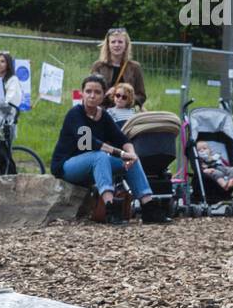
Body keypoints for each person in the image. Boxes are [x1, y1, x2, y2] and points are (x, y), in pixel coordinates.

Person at [50, 74, 155, 225]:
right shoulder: (75, 114)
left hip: (94, 164)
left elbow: (122, 139)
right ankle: (110, 207)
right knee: (100, 156)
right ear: (82, 93)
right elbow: (87, 142)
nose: (92, 96)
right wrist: (121, 153)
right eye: (88, 91)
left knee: (132, 160)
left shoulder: (104, 116)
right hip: (67, 166)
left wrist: (131, 154)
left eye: (97, 92)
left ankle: (148, 207)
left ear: (104, 95)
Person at [90, 27, 146, 108]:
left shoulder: (135, 67)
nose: (116, 45)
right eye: (113, 42)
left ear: (126, 44)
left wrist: (126, 98)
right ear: (108, 45)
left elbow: (141, 96)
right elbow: (92, 94)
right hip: (104, 112)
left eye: (120, 42)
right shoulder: (98, 66)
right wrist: (107, 94)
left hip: (127, 113)